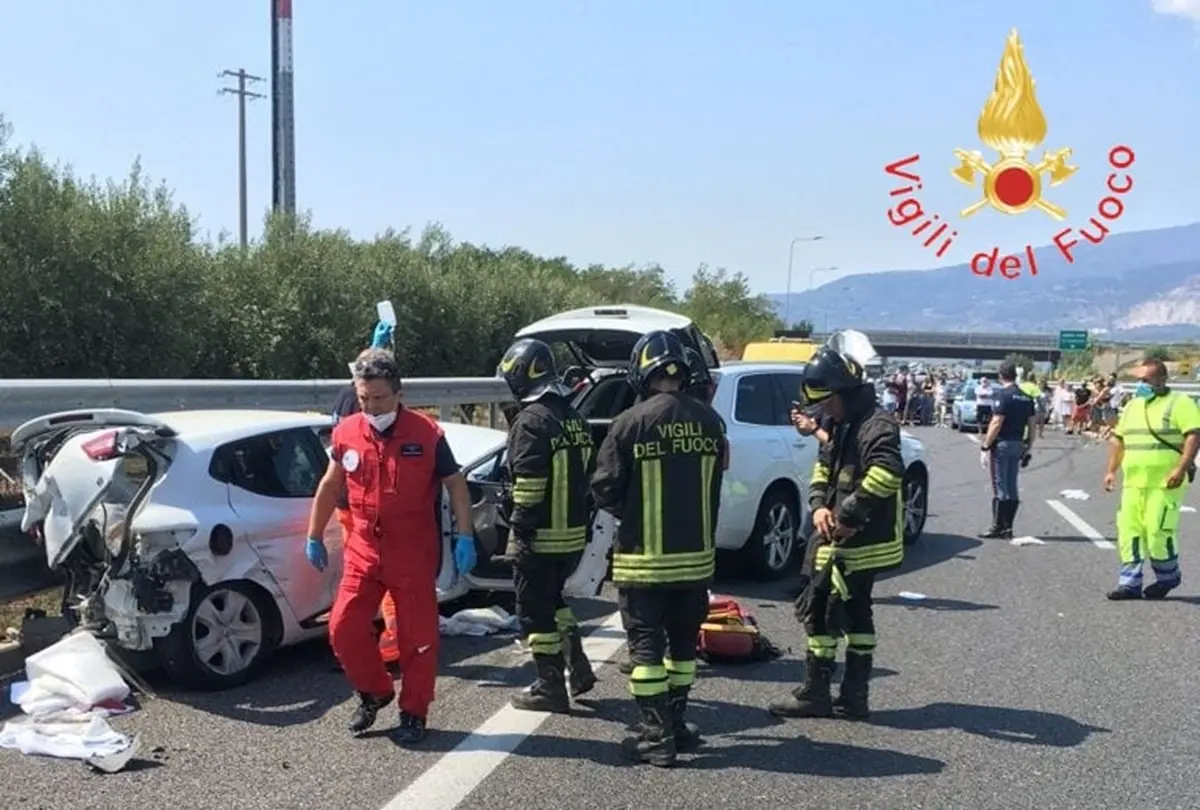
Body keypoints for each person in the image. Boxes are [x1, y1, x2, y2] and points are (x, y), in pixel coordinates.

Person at [305, 348, 479, 744]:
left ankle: (414, 712)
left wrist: (465, 534)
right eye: (364, 399)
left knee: (417, 639)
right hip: (364, 547)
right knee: (343, 627)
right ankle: (375, 691)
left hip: (412, 552)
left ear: (399, 394)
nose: (371, 406)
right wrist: (314, 534)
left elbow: (455, 484)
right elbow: (331, 484)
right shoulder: (348, 431)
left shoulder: (427, 434)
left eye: (379, 399)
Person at [592, 330, 726, 767]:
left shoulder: (630, 422)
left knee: (646, 650)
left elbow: (604, 487)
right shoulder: (711, 422)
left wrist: (632, 510)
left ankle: (656, 737)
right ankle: (679, 725)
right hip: (696, 561)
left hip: (644, 562)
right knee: (684, 648)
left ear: (640, 371)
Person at [769, 338, 904, 722]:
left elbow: (887, 474)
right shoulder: (842, 421)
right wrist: (816, 506)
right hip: (844, 534)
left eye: (828, 400)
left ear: (844, 391)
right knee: (858, 615)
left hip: (859, 539)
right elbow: (823, 467)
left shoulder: (875, 425)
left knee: (820, 613)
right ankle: (853, 696)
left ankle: (817, 694)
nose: (823, 409)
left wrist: (846, 515)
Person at [496, 337, 598, 712]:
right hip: (572, 536)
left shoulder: (531, 422)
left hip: (540, 536)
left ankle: (549, 686)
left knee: (533, 613)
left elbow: (529, 484)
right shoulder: (575, 418)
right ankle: (578, 665)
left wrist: (520, 531)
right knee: (555, 601)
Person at [1102, 358, 1200, 600]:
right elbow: (1118, 439)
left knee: (1158, 530)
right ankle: (1130, 583)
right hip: (1134, 482)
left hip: (1165, 482)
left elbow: (1193, 435)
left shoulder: (1180, 403)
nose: (1141, 385)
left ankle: (1168, 577)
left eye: (1146, 380)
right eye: (1138, 380)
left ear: (1162, 379)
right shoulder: (1134, 406)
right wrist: (1111, 470)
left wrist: (1181, 468)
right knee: (1129, 531)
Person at [978, 361, 1036, 539]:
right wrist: (1028, 447)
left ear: (1000, 375)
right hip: (1018, 443)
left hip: (1002, 444)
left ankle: (997, 526)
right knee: (1012, 485)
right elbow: (1032, 425)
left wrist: (985, 446)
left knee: (1000, 486)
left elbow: (996, 422)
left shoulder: (1002, 395)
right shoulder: (1026, 397)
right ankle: (1008, 527)